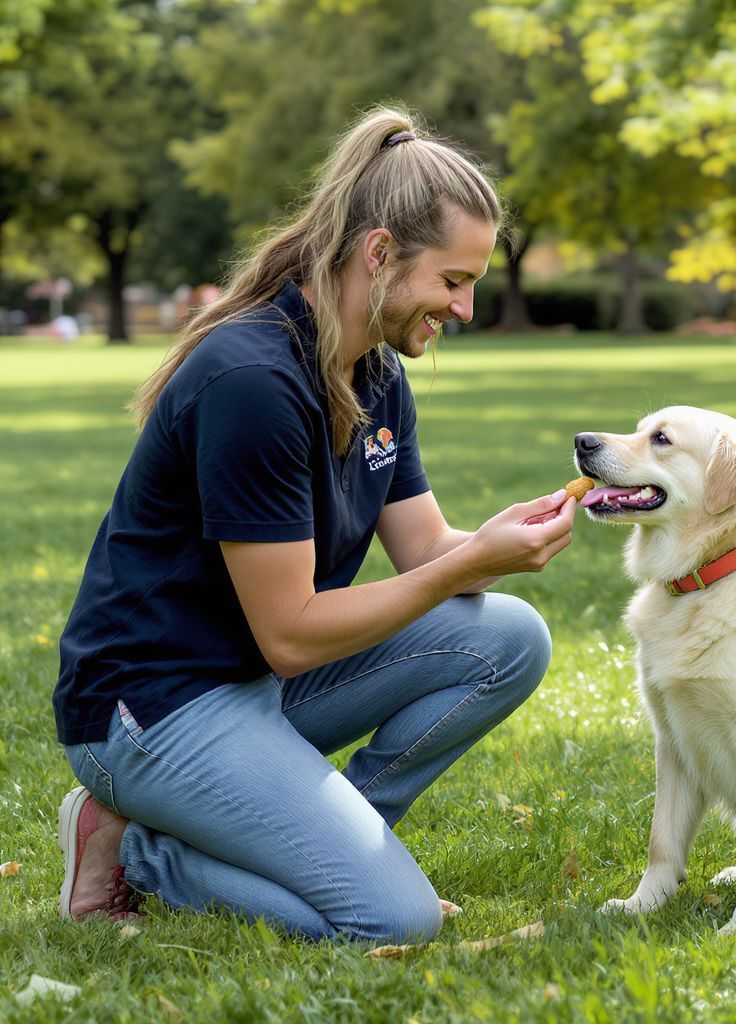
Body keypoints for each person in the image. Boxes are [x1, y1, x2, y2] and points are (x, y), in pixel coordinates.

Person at [53, 106, 577, 944]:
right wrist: (459, 566)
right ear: (379, 253)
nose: (467, 308)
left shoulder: (374, 371)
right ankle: (144, 852)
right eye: (452, 280)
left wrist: (493, 548)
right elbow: (292, 635)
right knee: (391, 922)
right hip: (156, 708)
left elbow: (428, 551)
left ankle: (318, 847)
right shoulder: (253, 379)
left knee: (510, 635)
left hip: (256, 683)